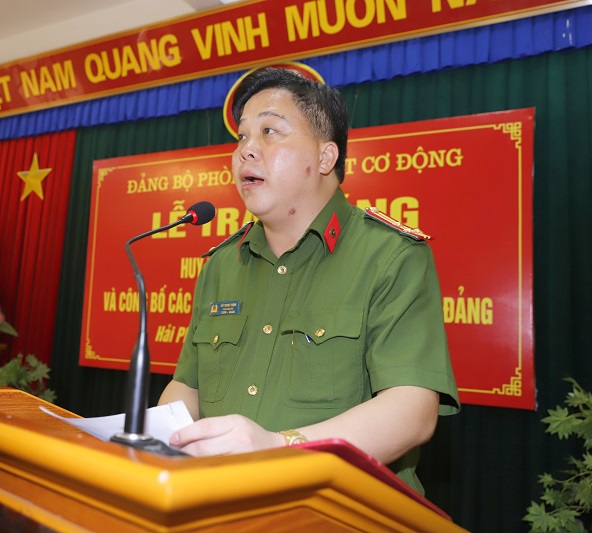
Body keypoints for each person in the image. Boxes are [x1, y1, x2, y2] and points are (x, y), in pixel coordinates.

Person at [158, 67, 459, 494]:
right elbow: (187, 388)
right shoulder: (222, 264)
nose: (246, 150)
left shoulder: (390, 256)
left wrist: (280, 447)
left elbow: (412, 411)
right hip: (218, 498)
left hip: (342, 509)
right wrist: (159, 443)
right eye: (242, 136)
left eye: (269, 132)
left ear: (325, 158)